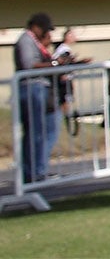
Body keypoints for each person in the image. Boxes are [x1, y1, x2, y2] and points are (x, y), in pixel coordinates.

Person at [14, 13, 59, 185]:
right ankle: (33, 172)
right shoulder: (26, 40)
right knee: (36, 133)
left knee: (41, 132)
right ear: (36, 27)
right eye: (45, 30)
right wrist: (54, 64)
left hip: (39, 89)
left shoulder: (34, 42)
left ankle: (37, 170)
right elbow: (28, 64)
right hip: (32, 88)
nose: (47, 34)